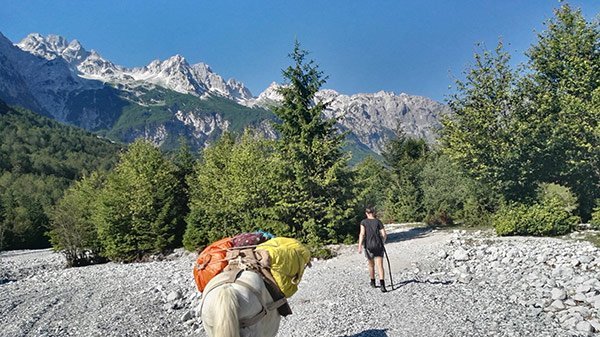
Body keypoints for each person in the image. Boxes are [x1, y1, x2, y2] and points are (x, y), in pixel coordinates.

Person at [357, 207, 387, 292]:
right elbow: (384, 235)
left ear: (366, 213)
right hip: (378, 246)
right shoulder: (378, 221)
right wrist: (383, 242)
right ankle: (382, 285)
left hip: (369, 246)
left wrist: (359, 246)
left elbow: (362, 234)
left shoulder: (363, 222)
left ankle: (373, 282)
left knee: (371, 265)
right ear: (373, 212)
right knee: (380, 266)